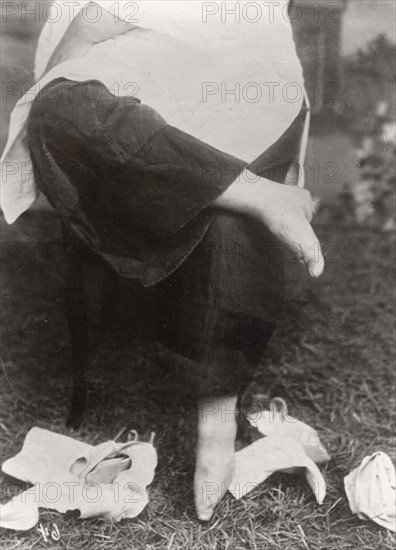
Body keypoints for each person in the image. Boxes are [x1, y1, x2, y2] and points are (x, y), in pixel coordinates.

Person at [1, 1, 324, 521]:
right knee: (64, 108)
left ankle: (215, 420)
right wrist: (57, 86)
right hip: (136, 86)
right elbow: (82, 33)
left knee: (215, 189)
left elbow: (102, 20)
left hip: (241, 82)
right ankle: (257, 195)